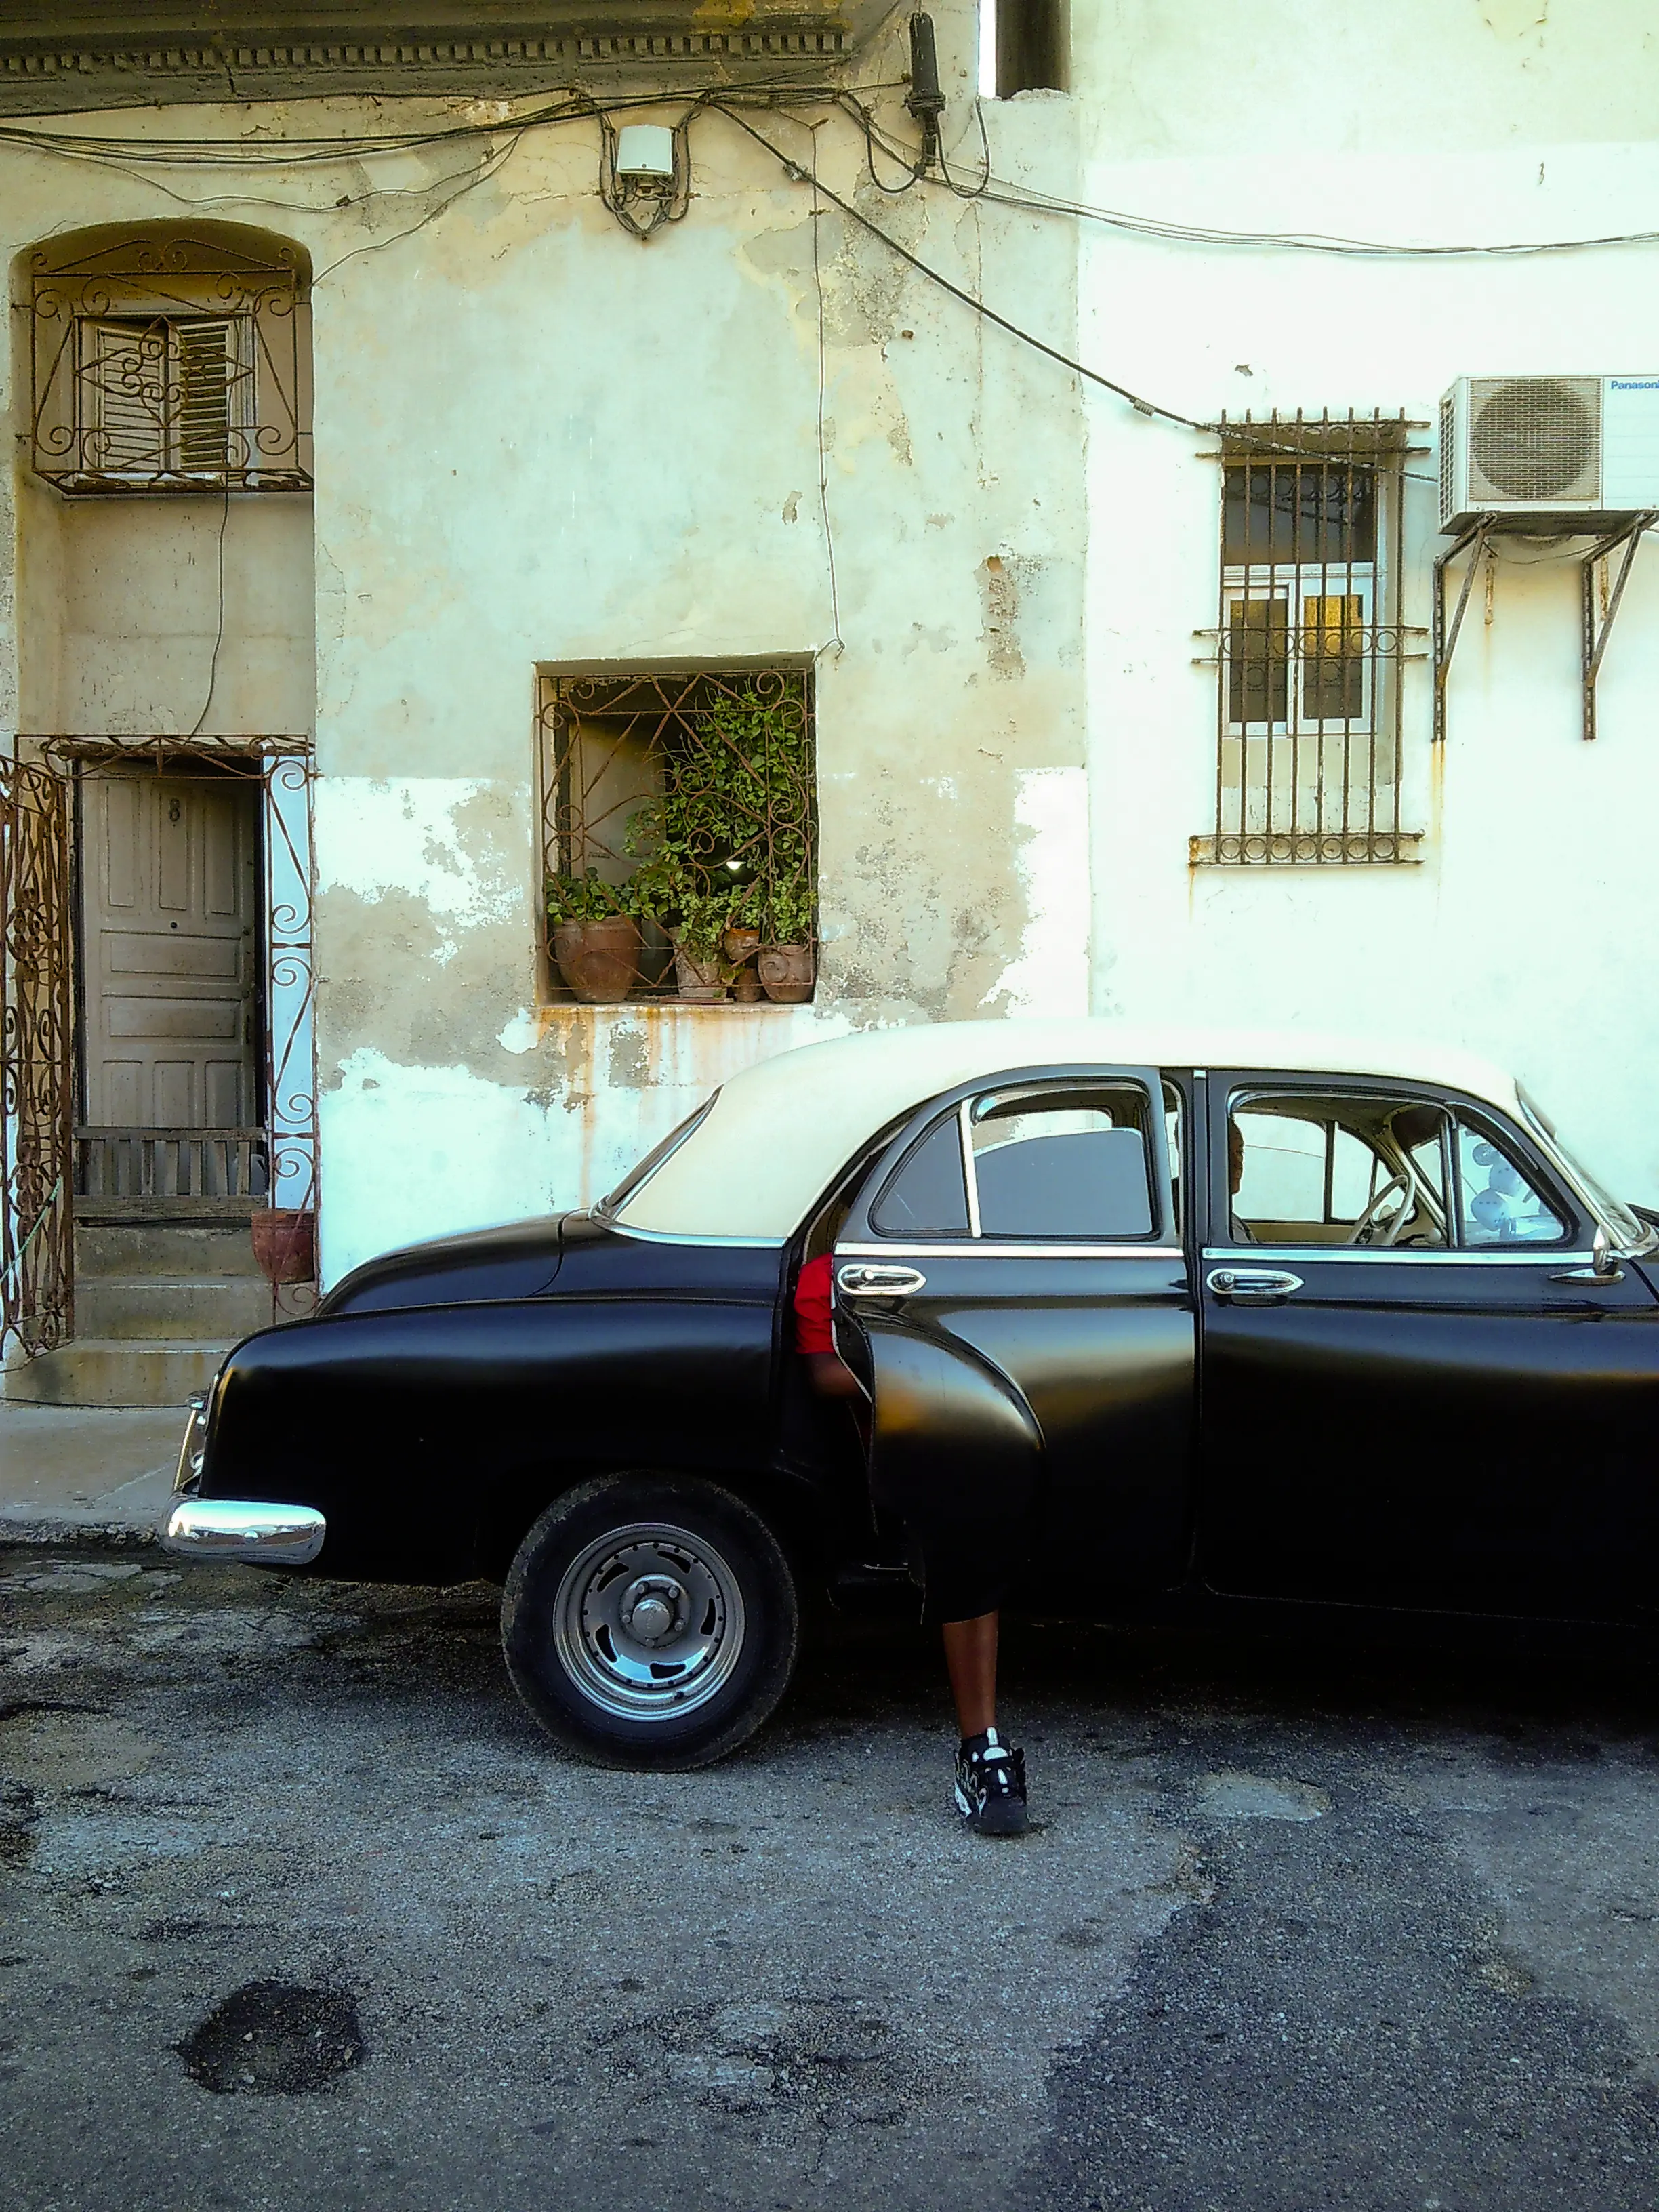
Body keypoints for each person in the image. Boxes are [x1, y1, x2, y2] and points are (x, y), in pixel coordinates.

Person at [792, 1245, 1029, 1839]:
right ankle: (981, 1747)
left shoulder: (969, 1246)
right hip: (912, 1451)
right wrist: (924, 1385)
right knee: (968, 1513)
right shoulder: (836, 1269)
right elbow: (825, 1373)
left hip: (981, 1427)